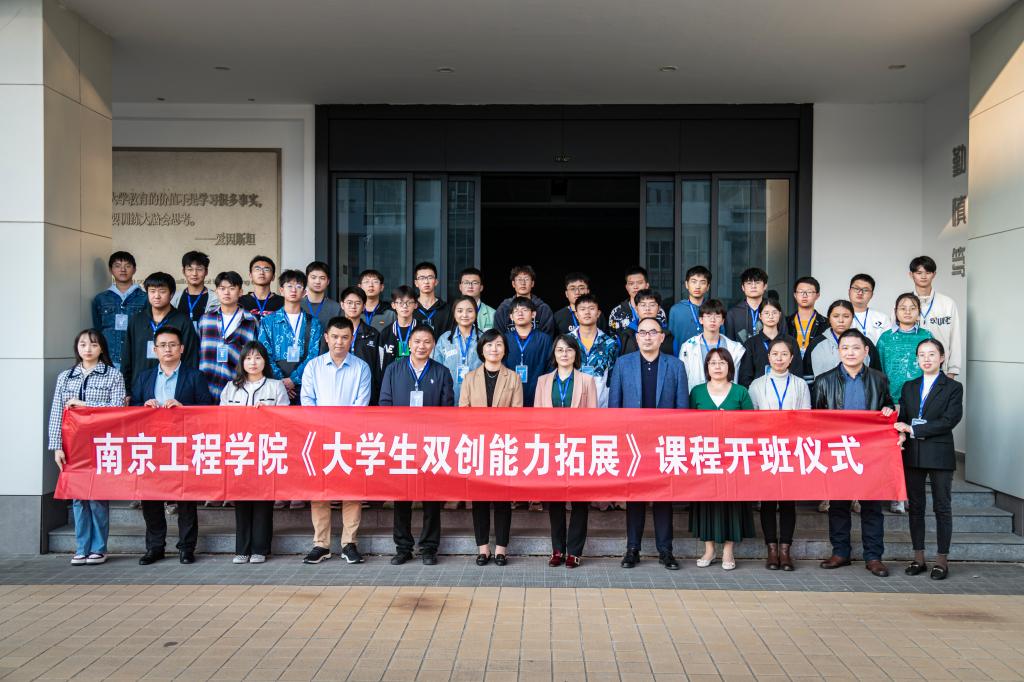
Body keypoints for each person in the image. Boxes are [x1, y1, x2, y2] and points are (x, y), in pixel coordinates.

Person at [813, 329, 896, 577]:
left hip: (870, 452)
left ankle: (874, 557)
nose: (850, 352)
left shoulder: (879, 379)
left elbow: (887, 405)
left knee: (872, 507)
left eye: (856, 348)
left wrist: (888, 410)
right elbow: (816, 419)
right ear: (838, 351)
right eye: (845, 348)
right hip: (838, 452)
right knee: (838, 505)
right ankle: (841, 553)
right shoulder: (824, 381)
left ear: (866, 351)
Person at [610, 316, 690, 570]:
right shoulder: (623, 364)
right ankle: (632, 549)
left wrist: (677, 440)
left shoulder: (675, 366)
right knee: (634, 497)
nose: (647, 337)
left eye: (653, 332)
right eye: (643, 332)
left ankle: (666, 550)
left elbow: (682, 408)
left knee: (663, 497)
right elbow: (615, 406)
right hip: (633, 443)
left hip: (664, 443)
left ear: (661, 337)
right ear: (636, 338)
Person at [131, 327, 213, 565]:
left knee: (185, 499)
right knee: (150, 498)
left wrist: (184, 408)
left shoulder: (194, 376)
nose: (168, 349)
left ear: (182, 348)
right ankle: (155, 547)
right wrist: (142, 407)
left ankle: (186, 547)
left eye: (172, 344)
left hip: (183, 444)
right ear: (155, 350)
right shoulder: (144, 377)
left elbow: (207, 409)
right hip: (151, 445)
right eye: (163, 345)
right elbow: (132, 408)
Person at [48, 329, 126, 566]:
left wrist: (85, 404)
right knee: (78, 498)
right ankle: (81, 548)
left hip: (102, 444)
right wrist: (56, 446)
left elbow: (118, 409)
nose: (88, 349)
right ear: (77, 348)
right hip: (73, 446)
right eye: (83, 344)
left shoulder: (113, 375)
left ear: (102, 348)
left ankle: (99, 548)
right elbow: (56, 412)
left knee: (97, 497)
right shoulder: (66, 377)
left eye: (93, 344)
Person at [300, 317, 373, 565]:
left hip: (350, 436)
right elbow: (307, 401)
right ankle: (321, 544)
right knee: (319, 490)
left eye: (344, 337)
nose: (339, 342)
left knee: (351, 490)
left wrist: (341, 427)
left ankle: (349, 543)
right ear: (326, 338)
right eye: (334, 337)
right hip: (320, 437)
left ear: (352, 339)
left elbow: (361, 404)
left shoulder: (361, 367)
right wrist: (324, 426)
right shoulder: (314, 366)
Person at [379, 326, 455, 565]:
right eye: (417, 341)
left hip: (431, 443)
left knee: (431, 497)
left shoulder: (442, 372)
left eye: (427, 342)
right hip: (402, 442)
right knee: (402, 496)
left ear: (433, 345)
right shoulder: (393, 369)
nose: (422, 346)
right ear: (408, 344)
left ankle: (429, 547)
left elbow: (447, 409)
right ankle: (403, 547)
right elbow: (385, 403)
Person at [894, 338, 964, 580]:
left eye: (932, 354)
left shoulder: (953, 387)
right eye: (922, 354)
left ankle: (942, 560)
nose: (926, 359)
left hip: (939, 453)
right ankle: (918, 558)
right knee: (916, 507)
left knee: (942, 507)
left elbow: (949, 420)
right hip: (913, 453)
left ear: (942, 358)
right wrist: (899, 429)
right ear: (917, 359)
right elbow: (903, 416)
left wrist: (913, 429)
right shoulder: (909, 386)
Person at [220, 341, 289, 564]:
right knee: (241, 500)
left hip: (265, 449)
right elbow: (221, 418)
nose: (253, 362)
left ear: (265, 361)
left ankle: (260, 548)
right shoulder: (231, 387)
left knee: (262, 501)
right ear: (242, 362)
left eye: (258, 357)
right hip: (239, 449)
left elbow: (286, 419)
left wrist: (268, 413)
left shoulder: (275, 386)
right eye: (248, 358)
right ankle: (242, 549)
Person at [459, 328, 524, 566]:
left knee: (502, 499)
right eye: (489, 345)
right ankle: (483, 548)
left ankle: (501, 549)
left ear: (505, 350)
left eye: (498, 345)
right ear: (481, 349)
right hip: (477, 446)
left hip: (503, 446)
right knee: (479, 500)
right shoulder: (470, 378)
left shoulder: (513, 378)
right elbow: (463, 411)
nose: (493, 349)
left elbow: (517, 414)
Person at [688, 348, 756, 570]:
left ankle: (728, 550)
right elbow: (687, 424)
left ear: (730, 366)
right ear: (706, 367)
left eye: (722, 362)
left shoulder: (740, 392)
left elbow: (751, 425)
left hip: (733, 458)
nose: (717, 367)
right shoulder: (697, 392)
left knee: (731, 503)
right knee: (706, 503)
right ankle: (709, 549)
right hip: (705, 457)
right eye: (713, 363)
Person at [534, 335, 597, 568]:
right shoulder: (543, 381)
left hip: (579, 447)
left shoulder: (587, 381)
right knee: (556, 500)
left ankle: (575, 551)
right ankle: (558, 550)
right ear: (554, 354)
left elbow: (593, 417)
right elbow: (537, 416)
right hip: (552, 447)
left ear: (575, 354)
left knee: (580, 500)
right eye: (560, 350)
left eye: (569, 350)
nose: (564, 354)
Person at [749, 337, 811, 570]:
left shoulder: (800, 384)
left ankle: (785, 550)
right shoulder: (757, 385)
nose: (779, 358)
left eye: (784, 354)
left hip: (791, 450)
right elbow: (751, 418)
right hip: (765, 449)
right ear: (768, 357)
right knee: (767, 501)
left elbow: (806, 416)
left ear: (792, 358)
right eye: (775, 354)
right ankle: (771, 550)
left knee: (787, 502)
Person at [121, 271, 199, 396]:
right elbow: (127, 357)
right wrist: (127, 390)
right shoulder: (136, 320)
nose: (156, 296)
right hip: (139, 388)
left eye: (162, 291)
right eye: (152, 291)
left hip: (174, 389)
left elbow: (190, 358)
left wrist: (187, 390)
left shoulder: (182, 321)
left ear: (171, 294)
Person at [257, 269, 322, 406]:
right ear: (281, 290)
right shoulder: (268, 321)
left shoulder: (314, 323)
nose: (293, 290)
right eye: (289, 286)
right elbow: (264, 353)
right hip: (274, 386)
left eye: (298, 286)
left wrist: (293, 380)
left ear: (304, 293)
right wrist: (281, 383)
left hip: (305, 386)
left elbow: (314, 355)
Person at [197, 271, 259, 402]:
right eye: (222, 288)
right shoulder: (205, 319)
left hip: (238, 388)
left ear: (240, 292)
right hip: (205, 385)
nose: (226, 292)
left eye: (232, 288)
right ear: (216, 291)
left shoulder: (250, 321)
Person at [91, 251, 147, 370]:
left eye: (127, 266)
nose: (123, 270)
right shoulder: (100, 299)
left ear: (134, 269)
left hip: (136, 360)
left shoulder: (146, 298)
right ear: (110, 270)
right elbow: (98, 331)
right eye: (117, 266)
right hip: (109, 359)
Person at [909, 255, 962, 379]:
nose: (923, 276)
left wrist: (952, 370)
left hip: (941, 370)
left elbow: (955, 338)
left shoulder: (947, 303)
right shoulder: (903, 304)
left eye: (928, 272)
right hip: (910, 370)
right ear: (911, 275)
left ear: (934, 274)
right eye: (919, 273)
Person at [877, 293, 933, 406]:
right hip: (890, 400)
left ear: (919, 313)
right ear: (896, 312)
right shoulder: (885, 338)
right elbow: (878, 369)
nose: (907, 312)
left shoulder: (926, 336)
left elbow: (934, 368)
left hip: (920, 398)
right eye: (903, 308)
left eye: (912, 308)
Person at [804, 300, 881, 382]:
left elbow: (876, 375)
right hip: (824, 390)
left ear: (852, 318)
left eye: (846, 316)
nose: (841, 320)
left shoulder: (865, 343)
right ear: (829, 318)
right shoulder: (816, 344)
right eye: (836, 316)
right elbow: (807, 376)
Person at [678, 299, 745, 386]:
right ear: (701, 320)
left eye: (717, 316)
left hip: (726, 393)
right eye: (708, 315)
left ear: (722, 321)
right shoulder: (688, 347)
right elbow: (682, 379)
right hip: (697, 394)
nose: (712, 320)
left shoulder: (735, 348)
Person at [503, 297, 554, 408]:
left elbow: (550, 367)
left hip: (538, 393)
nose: (520, 313)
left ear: (533, 314)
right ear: (511, 317)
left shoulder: (544, 339)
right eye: (516, 311)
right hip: (509, 393)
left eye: (525, 310)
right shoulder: (504, 340)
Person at [571, 294, 620, 408]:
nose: (587, 312)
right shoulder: (567, 341)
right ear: (576, 314)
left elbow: (613, 378)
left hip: (601, 404)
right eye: (582, 309)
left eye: (591, 308)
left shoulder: (610, 344)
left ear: (598, 313)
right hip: (572, 403)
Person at [432, 295, 482, 405]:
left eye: (469, 311)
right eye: (460, 311)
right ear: (454, 314)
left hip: (477, 399)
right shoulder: (445, 339)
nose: (464, 315)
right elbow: (435, 370)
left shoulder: (484, 339)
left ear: (476, 313)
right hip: (449, 398)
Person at [737, 298, 797, 387]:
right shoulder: (751, 344)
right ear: (760, 316)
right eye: (766, 313)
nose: (770, 316)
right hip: (758, 393)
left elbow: (797, 373)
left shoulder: (790, 341)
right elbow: (745, 378)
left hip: (787, 391)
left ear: (780, 315)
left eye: (774, 313)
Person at [339, 286, 382, 404]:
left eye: (358, 303)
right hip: (339, 386)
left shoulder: (373, 334)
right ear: (342, 305)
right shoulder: (333, 332)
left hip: (365, 388)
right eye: (349, 303)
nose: (353, 306)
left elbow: (378, 367)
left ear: (363, 307)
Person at [492, 265, 555, 335]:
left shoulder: (543, 309)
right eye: (519, 279)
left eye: (526, 279)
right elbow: (498, 335)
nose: (523, 283)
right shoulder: (503, 308)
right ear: (513, 284)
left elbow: (547, 337)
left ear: (532, 283)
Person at [617, 289, 675, 356]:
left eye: (652, 305)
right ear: (636, 308)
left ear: (659, 308)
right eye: (643, 305)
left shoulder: (669, 336)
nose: (647, 309)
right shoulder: (624, 336)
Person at [609, 266, 667, 332]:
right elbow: (613, 336)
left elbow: (663, 334)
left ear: (647, 286)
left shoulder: (659, 311)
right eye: (631, 283)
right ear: (627, 287)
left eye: (639, 283)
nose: (635, 287)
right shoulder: (617, 312)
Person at [668, 265, 711, 354]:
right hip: (682, 358)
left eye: (702, 282)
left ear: (707, 287)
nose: (697, 286)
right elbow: (670, 339)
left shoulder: (713, 310)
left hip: (709, 358)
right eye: (693, 282)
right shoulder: (676, 310)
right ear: (687, 284)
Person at [171, 251, 219, 330]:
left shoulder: (216, 299)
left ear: (206, 272)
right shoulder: (174, 298)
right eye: (190, 269)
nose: (194, 274)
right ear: (183, 271)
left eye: (199, 269)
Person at [379, 285, 419, 372]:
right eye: (400, 302)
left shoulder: (423, 331)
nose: (405, 306)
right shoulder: (386, 333)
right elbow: (381, 364)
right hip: (391, 378)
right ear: (393, 305)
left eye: (409, 302)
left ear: (416, 305)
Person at [302, 261, 342, 345]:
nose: (317, 281)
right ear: (306, 279)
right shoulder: (297, 305)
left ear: (328, 281)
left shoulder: (336, 308)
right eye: (313, 277)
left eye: (322, 278)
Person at [786, 276, 828, 357]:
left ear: (817, 295)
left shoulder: (826, 323)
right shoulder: (785, 322)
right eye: (801, 292)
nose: (804, 295)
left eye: (809, 292)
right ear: (795, 295)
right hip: (791, 363)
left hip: (815, 364)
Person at [725, 267, 768, 343]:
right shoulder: (733, 313)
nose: (753, 286)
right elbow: (730, 342)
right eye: (749, 283)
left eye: (757, 282)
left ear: (765, 286)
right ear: (743, 287)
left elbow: (782, 338)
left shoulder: (773, 310)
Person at [239, 255, 284, 326]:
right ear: (250, 275)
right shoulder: (240, 302)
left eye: (266, 270)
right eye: (257, 269)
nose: (261, 272)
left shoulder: (283, 302)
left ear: (273, 277)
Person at [410, 261, 450, 337]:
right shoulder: (410, 307)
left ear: (436, 282)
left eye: (430, 277)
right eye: (422, 278)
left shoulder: (447, 309)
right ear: (416, 283)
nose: (426, 281)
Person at [848, 273, 891, 344]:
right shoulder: (840, 317)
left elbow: (888, 344)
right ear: (849, 291)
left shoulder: (883, 318)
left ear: (871, 295)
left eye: (865, 290)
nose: (860, 293)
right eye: (856, 288)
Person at [359, 269, 395, 334]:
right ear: (360, 287)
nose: (371, 285)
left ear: (381, 287)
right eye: (366, 282)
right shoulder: (353, 310)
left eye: (375, 282)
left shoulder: (391, 312)